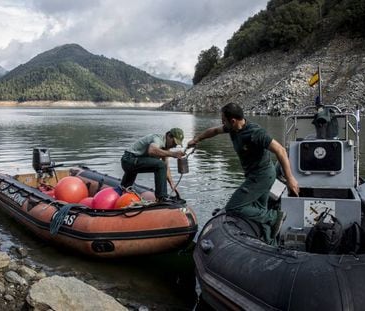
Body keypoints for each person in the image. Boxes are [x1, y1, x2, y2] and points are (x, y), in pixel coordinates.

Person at [187, 102, 299, 245]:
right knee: (258, 210)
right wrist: (197, 139)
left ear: (233, 121)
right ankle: (271, 243)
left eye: (223, 120)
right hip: (256, 176)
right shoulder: (233, 129)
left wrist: (290, 179)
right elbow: (214, 131)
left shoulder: (255, 133)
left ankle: (274, 217)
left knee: (234, 207)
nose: (222, 123)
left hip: (261, 176)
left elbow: (281, 150)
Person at [121, 128, 185, 202]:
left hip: (135, 162)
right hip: (129, 160)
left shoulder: (165, 147)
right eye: (174, 143)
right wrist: (173, 154)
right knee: (160, 165)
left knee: (125, 188)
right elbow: (152, 150)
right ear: (169, 136)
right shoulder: (157, 139)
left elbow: (166, 167)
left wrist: (172, 184)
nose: (174, 146)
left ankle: (122, 190)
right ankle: (161, 197)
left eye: (176, 145)